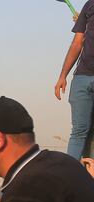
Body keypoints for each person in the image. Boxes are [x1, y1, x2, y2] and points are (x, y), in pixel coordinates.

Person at [55, 1, 94, 160]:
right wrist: (63, 75)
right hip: (82, 77)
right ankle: (72, 177)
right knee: (79, 131)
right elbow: (77, 43)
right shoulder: (90, 4)